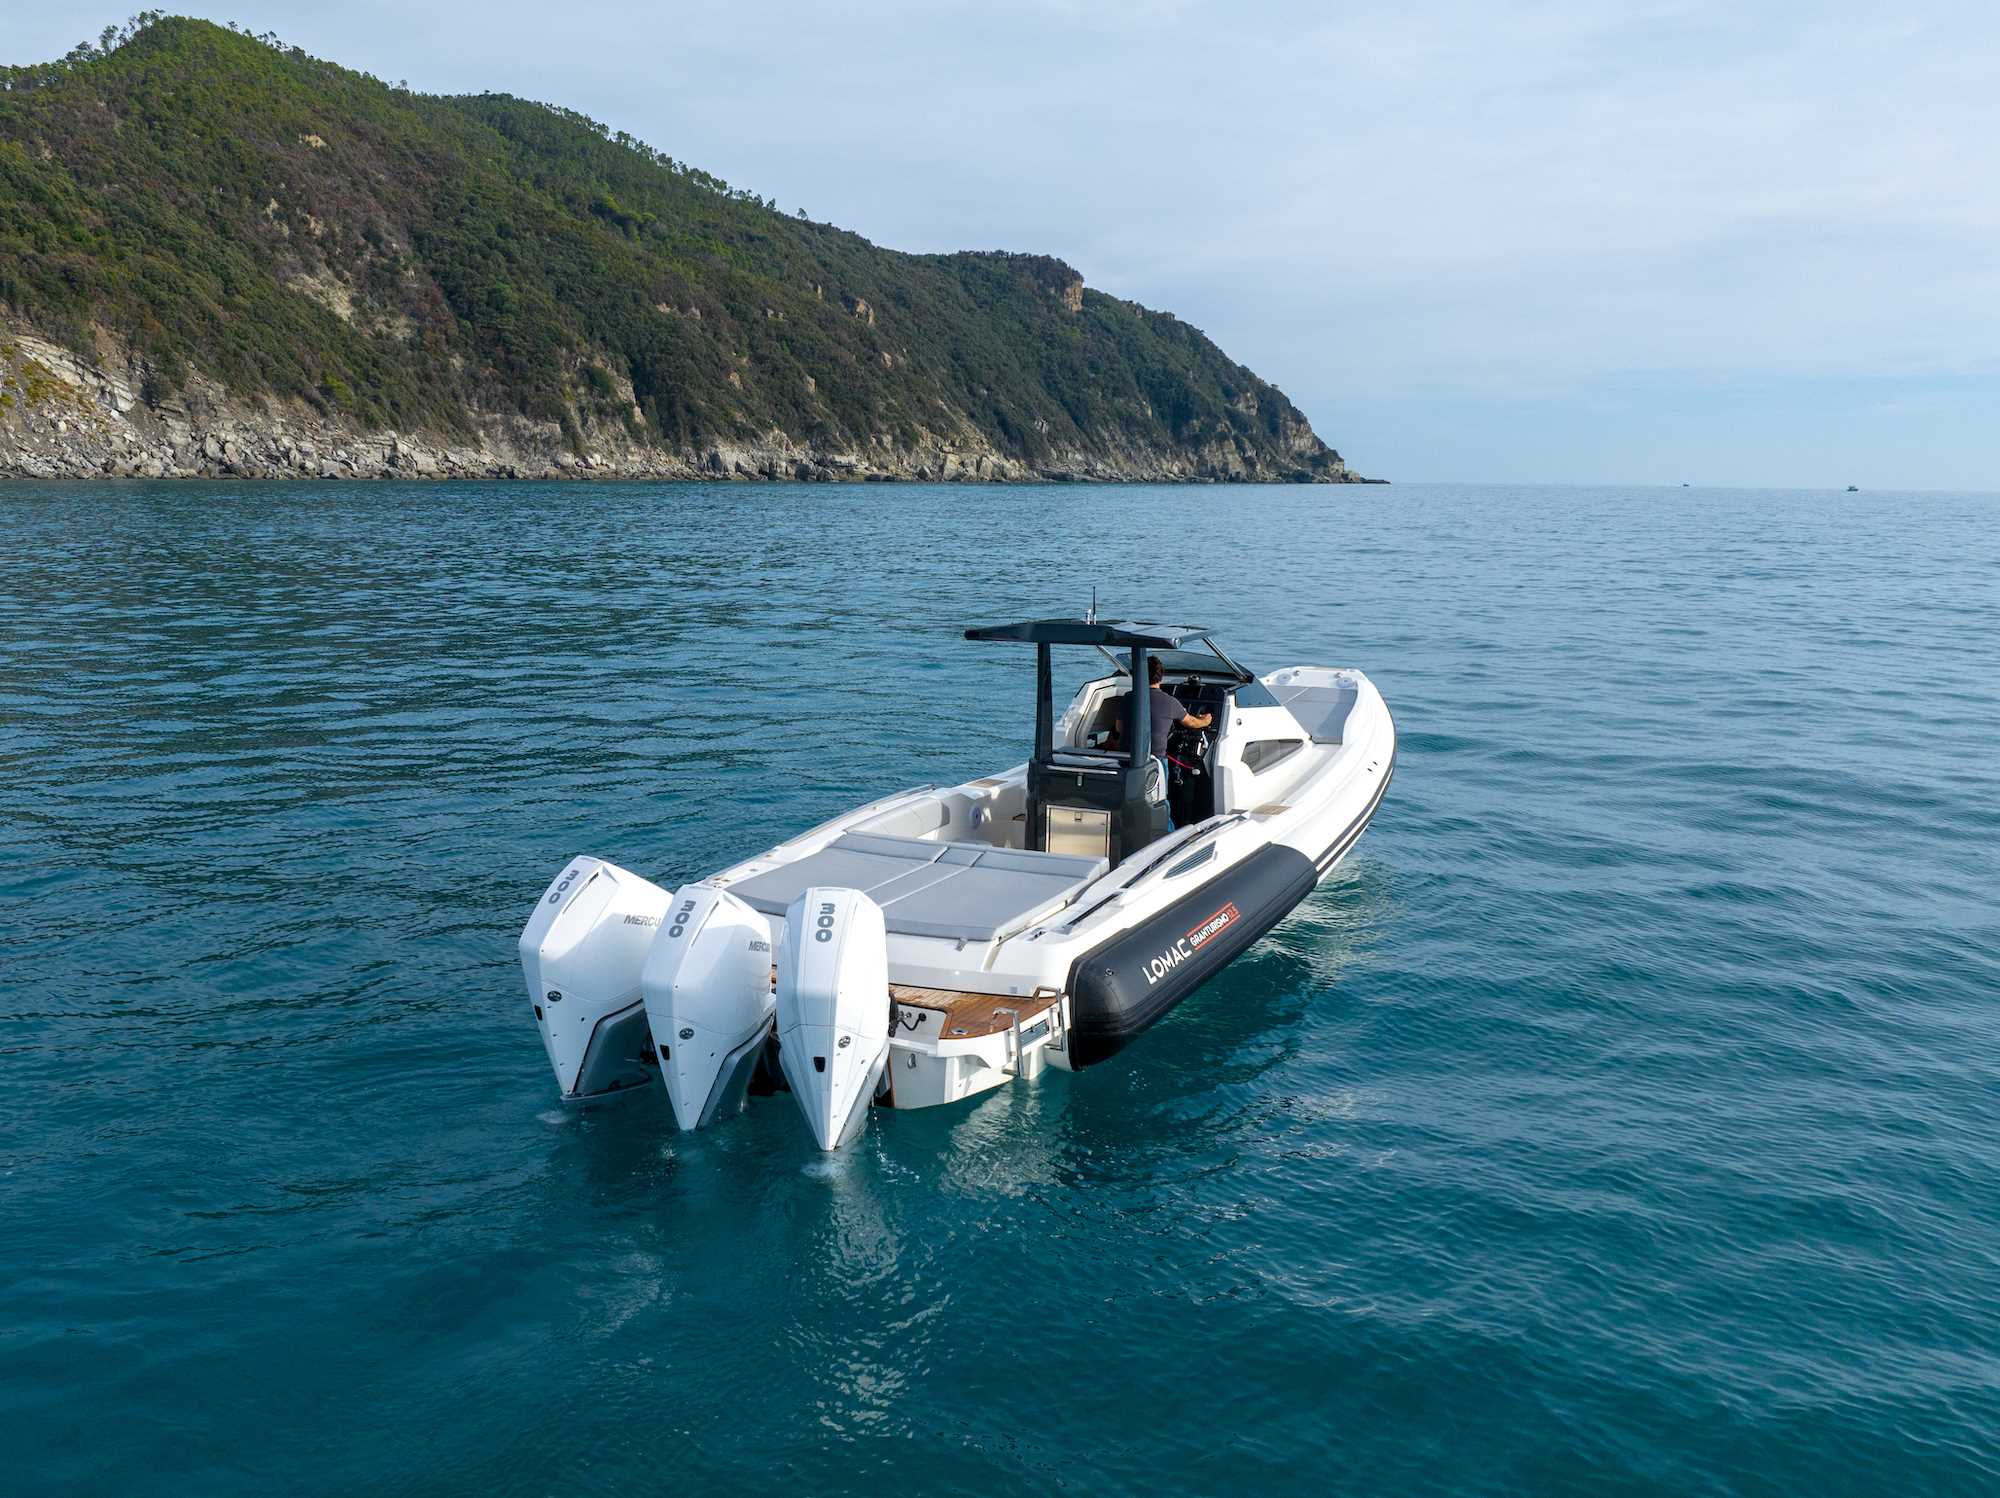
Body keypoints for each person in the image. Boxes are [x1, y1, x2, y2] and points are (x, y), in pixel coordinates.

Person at [1146, 656, 1211, 827]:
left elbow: (1119, 728)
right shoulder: (1169, 701)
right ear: (1161, 677)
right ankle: (1168, 832)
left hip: (1126, 757)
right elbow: (1193, 723)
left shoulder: (1128, 698)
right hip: (1156, 761)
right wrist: (1207, 720)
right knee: (1160, 800)